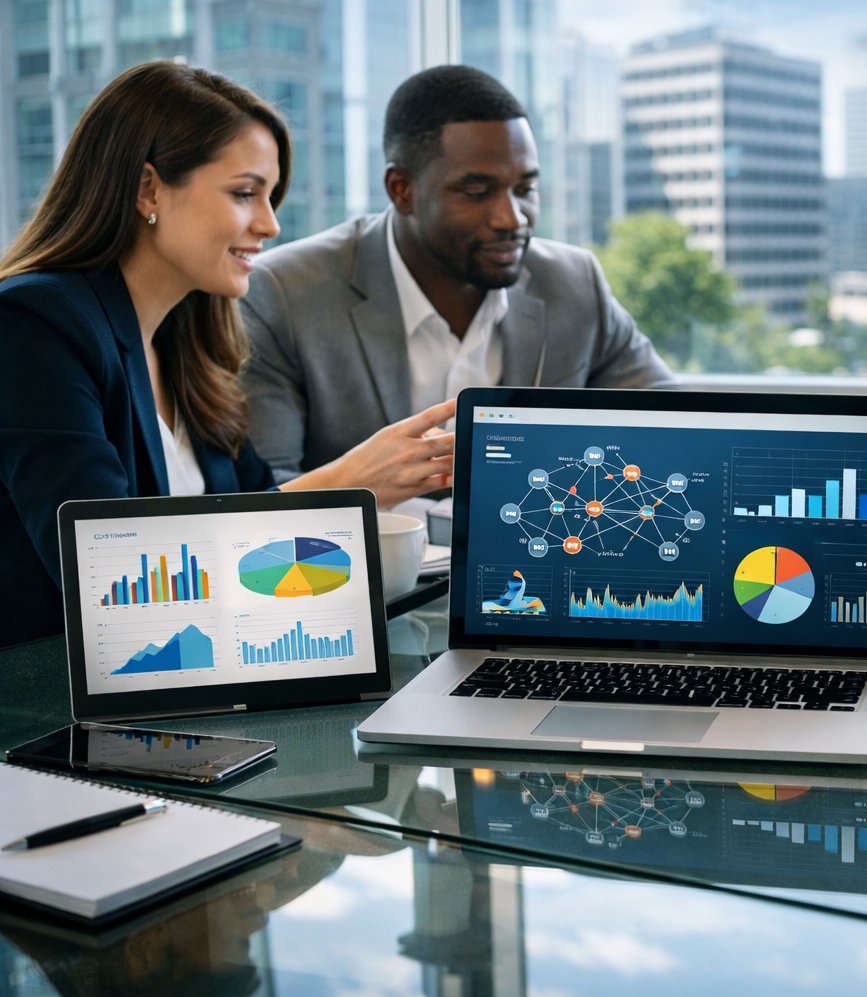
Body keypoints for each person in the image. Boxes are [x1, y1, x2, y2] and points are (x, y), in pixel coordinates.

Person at [0, 62, 455, 647]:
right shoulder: (34, 327)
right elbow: (108, 579)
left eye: (270, 196)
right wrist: (345, 488)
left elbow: (248, 548)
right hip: (46, 713)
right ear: (148, 190)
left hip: (194, 687)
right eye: (245, 194)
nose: (269, 224)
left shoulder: (190, 342)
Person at [240, 64, 675, 482]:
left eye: (525, 189)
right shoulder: (285, 293)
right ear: (402, 190)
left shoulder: (575, 284)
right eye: (477, 192)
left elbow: (675, 430)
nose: (512, 219)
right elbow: (268, 491)